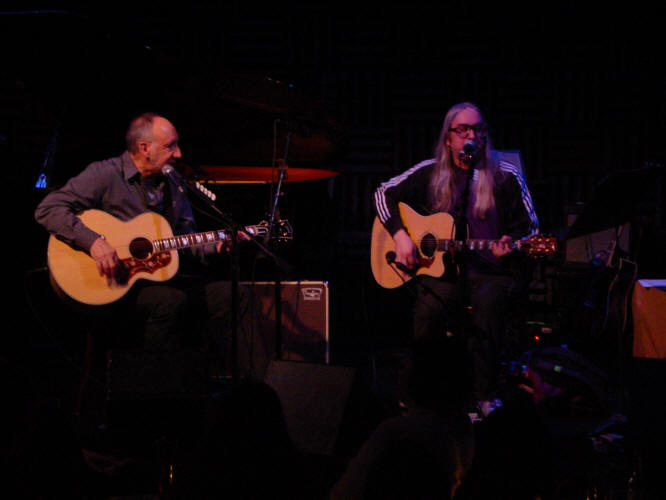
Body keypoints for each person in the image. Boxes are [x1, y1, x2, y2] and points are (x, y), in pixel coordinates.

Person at [34, 112, 253, 397]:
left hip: (157, 279)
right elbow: (48, 209)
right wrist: (94, 242)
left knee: (235, 295)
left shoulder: (175, 186)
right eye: (170, 146)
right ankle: (153, 398)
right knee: (170, 302)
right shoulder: (106, 173)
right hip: (113, 286)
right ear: (144, 148)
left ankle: (244, 394)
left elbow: (185, 245)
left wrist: (218, 244)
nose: (179, 153)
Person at [373, 102, 539, 398]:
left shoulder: (506, 174)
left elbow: (531, 230)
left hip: (490, 271)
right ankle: (424, 395)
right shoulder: (431, 171)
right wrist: (400, 236)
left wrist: (510, 247)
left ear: (485, 136)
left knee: (487, 310)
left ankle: (482, 398)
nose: (470, 136)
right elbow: (382, 193)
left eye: (476, 129)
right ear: (448, 138)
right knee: (428, 311)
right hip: (443, 271)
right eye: (461, 130)